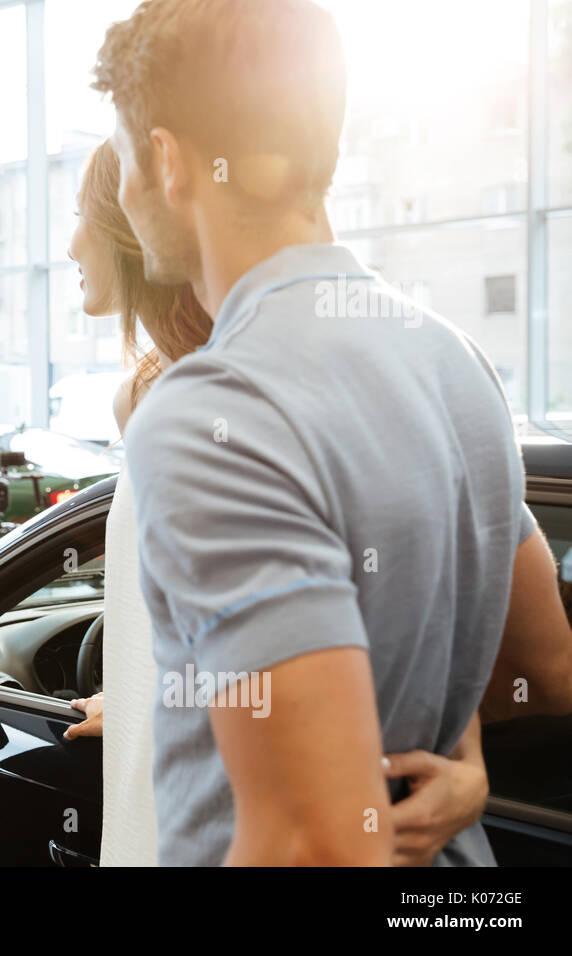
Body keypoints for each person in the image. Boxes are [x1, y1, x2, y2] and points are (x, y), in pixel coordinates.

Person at [93, 0, 572, 864]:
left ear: (166, 160)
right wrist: (436, 746)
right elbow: (541, 663)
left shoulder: (210, 412)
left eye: (125, 160)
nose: (124, 193)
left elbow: (310, 845)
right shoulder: (456, 360)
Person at [61, 139, 492, 866]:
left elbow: (394, 603)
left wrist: (469, 758)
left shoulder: (230, 403)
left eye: (80, 216)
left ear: (136, 224)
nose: (70, 243)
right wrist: (152, 694)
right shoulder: (147, 396)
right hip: (172, 790)